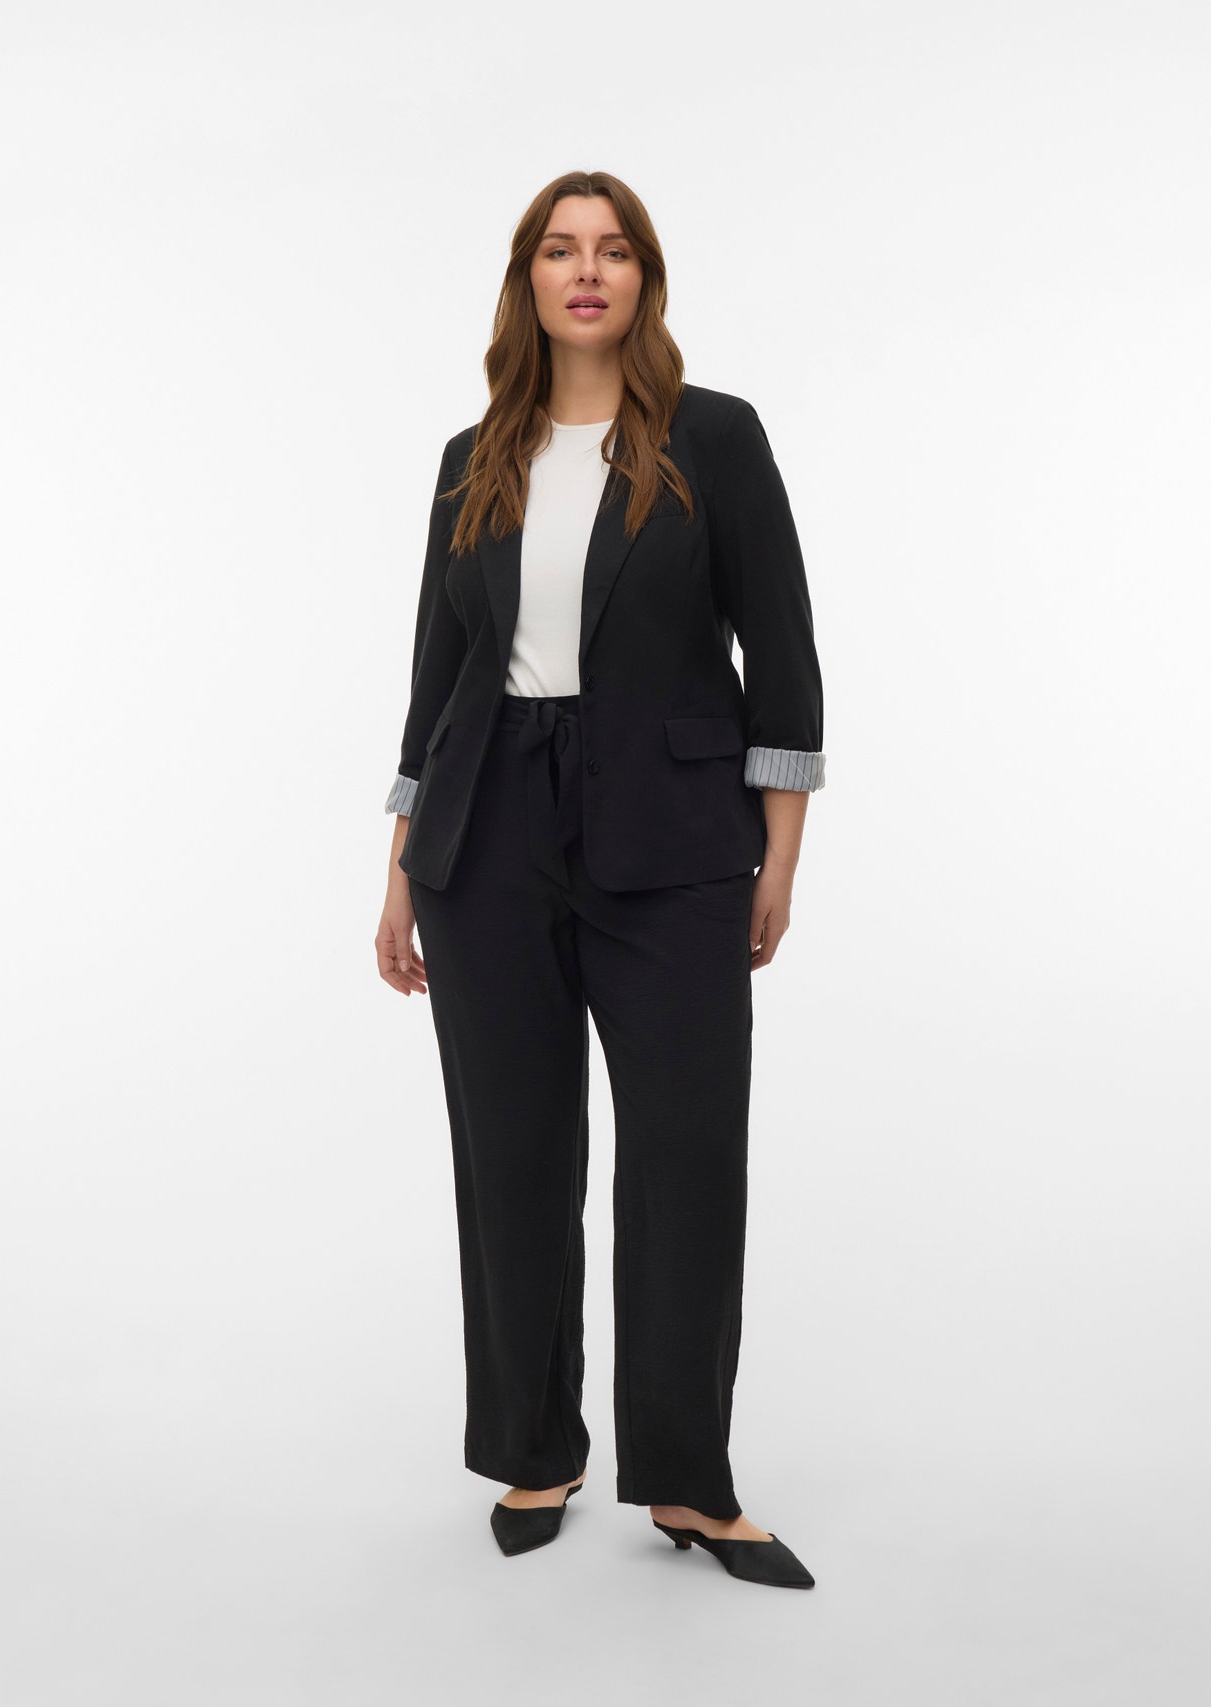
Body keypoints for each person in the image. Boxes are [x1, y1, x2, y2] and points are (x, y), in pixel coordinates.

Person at [375, 170, 825, 1590]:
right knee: (512, 1158)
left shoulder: (714, 438)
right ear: (528, 279)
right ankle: (536, 1447)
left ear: (644, 278)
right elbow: (437, 679)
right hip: (486, 832)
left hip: (677, 838)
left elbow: (784, 652)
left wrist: (779, 855)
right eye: (561, 250)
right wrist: (400, 870)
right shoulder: (475, 456)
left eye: (614, 250)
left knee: (686, 1158)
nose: (587, 271)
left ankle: (688, 1481)